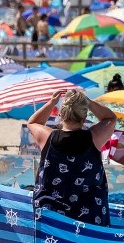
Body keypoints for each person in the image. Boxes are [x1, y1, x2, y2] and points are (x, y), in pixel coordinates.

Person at [27, 89, 117, 225]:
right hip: (90, 219)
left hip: (51, 217)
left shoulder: (47, 137)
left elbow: (33, 122)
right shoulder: (95, 137)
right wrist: (88, 102)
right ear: (84, 118)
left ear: (60, 114)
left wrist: (52, 102)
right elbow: (111, 118)